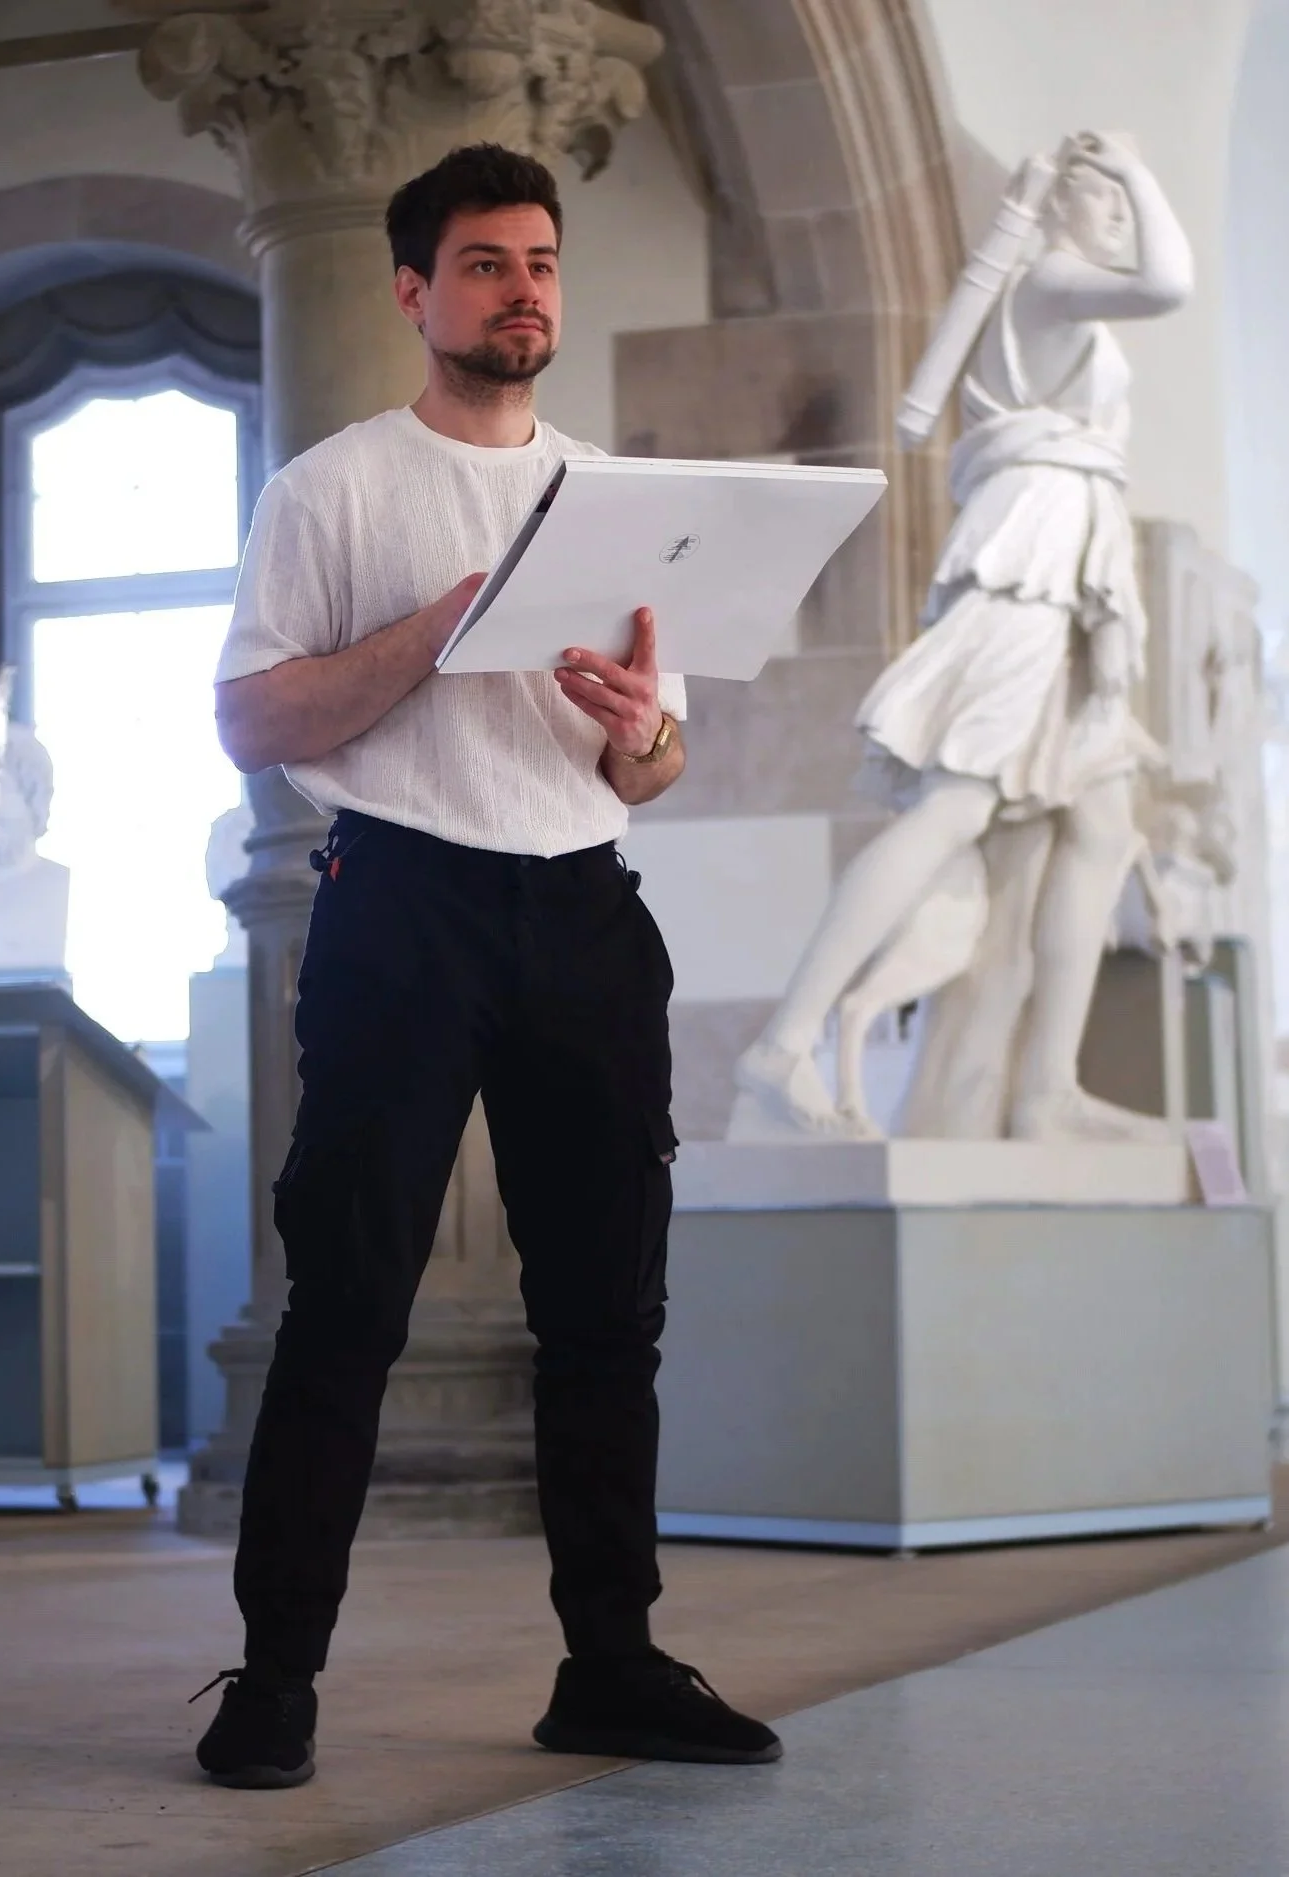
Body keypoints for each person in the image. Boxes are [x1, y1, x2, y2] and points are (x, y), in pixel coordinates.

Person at [190, 143, 781, 1789]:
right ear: (411, 291)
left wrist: (637, 733)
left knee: (606, 1316)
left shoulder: (614, 495)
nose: (521, 290)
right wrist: (440, 629)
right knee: (348, 1303)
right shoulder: (333, 487)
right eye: (482, 264)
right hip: (401, 910)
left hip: (584, 907)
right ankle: (275, 1677)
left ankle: (609, 1661)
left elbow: (653, 767)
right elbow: (251, 719)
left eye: (538, 262)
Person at [737, 132, 1193, 1142]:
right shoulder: (1046, 280)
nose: (1119, 217)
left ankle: (1043, 1088)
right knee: (953, 804)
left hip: (1075, 570)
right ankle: (783, 1041)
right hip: (1027, 567)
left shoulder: (1046, 289)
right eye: (1106, 203)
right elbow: (1170, 283)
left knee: (1102, 824)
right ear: (1065, 208)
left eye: (1122, 204)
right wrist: (1136, 165)